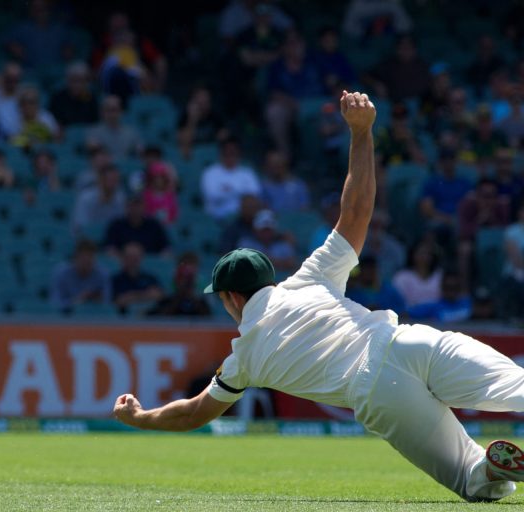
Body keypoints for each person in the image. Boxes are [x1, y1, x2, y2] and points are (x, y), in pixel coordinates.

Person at [113, 91, 524, 503]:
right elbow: (358, 209)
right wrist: (361, 133)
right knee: (518, 386)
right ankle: (493, 465)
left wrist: (140, 416)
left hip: (377, 391)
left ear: (233, 297)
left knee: (474, 482)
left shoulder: (244, 359)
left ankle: (487, 469)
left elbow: (192, 414)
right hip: (409, 341)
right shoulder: (310, 279)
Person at [200, 137, 261, 220]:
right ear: (221, 153)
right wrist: (241, 192)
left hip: (244, 218)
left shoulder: (247, 173)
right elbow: (212, 195)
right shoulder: (210, 173)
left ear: (238, 154)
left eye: (233, 153)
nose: (230, 156)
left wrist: (228, 190)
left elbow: (254, 194)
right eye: (227, 152)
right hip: (218, 218)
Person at [50, 239, 110, 313]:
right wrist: (76, 301)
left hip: (95, 318)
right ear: (76, 257)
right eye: (84, 259)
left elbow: (107, 303)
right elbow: (55, 303)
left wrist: (95, 301)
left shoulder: (102, 274)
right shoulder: (61, 273)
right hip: (66, 319)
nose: (87, 262)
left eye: (90, 259)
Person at [103, 194, 170, 260]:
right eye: (132, 206)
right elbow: (109, 248)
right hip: (122, 264)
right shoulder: (116, 225)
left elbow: (166, 248)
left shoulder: (154, 225)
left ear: (144, 207)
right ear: (126, 207)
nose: (135, 209)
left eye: (138, 206)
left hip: (150, 265)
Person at [85, 95, 143, 162]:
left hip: (126, 169)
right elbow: (95, 154)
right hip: (102, 169)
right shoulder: (93, 132)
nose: (111, 114)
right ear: (102, 112)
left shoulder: (131, 132)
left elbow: (141, 153)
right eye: (107, 110)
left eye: (114, 110)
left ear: (121, 112)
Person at [111, 243, 164, 312]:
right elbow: (118, 301)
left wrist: (132, 296)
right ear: (122, 258)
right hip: (123, 319)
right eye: (129, 257)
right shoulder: (114, 279)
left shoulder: (150, 278)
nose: (133, 260)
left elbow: (159, 296)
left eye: (136, 257)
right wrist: (146, 295)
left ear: (141, 258)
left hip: (149, 316)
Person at [48, 61, 99, 127]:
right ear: (67, 80)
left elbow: (95, 123)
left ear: (86, 82)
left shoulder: (91, 99)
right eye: (74, 80)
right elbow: (52, 122)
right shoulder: (57, 98)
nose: (77, 85)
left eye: (81, 81)